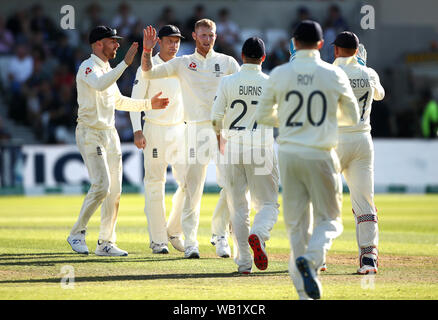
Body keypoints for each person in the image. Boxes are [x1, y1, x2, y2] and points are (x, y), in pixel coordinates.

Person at [256, 20, 359, 300]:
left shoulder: (278, 74)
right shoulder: (333, 74)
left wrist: (291, 121)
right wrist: (323, 121)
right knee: (330, 220)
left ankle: (304, 292)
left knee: (296, 227)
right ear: (321, 45)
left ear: (294, 43)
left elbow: (264, 116)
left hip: (289, 154)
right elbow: (352, 116)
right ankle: (312, 259)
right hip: (320, 153)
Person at [141, 19, 240, 259]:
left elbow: (241, 91)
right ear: (195, 36)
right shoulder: (183, 63)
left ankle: (220, 236)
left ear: (216, 36)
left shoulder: (227, 62)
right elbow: (149, 71)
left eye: (211, 35)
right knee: (193, 189)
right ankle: (192, 242)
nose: (208, 39)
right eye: (203, 35)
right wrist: (147, 51)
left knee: (231, 186)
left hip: (222, 130)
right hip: (194, 131)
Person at [67, 26, 169, 257]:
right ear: (97, 44)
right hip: (90, 132)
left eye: (116, 41)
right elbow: (100, 84)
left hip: (109, 133)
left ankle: (105, 242)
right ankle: (77, 233)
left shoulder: (106, 69)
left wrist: (147, 105)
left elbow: (119, 101)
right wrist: (125, 64)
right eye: (112, 41)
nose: (117, 45)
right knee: (102, 185)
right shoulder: (88, 67)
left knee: (114, 192)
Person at [211, 37, 280, 274]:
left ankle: (243, 263)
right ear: (263, 57)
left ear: (242, 57)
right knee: (269, 202)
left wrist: (220, 136)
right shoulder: (271, 83)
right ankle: (259, 234)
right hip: (261, 147)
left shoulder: (228, 81)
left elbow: (215, 116)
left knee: (238, 207)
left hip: (232, 148)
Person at [129, 25, 186, 254]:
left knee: (190, 183)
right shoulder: (148, 65)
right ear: (159, 42)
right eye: (170, 41)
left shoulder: (183, 65)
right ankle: (158, 240)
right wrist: (137, 130)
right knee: (155, 185)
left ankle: (174, 229)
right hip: (154, 130)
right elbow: (135, 99)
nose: (174, 45)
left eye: (177, 41)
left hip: (179, 130)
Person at [332, 31, 385, 274]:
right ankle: (368, 258)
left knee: (323, 198)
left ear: (336, 50)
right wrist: (364, 69)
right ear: (357, 51)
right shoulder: (369, 72)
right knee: (364, 201)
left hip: (335, 141)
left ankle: (317, 257)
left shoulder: (330, 71)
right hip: (363, 140)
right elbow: (380, 95)